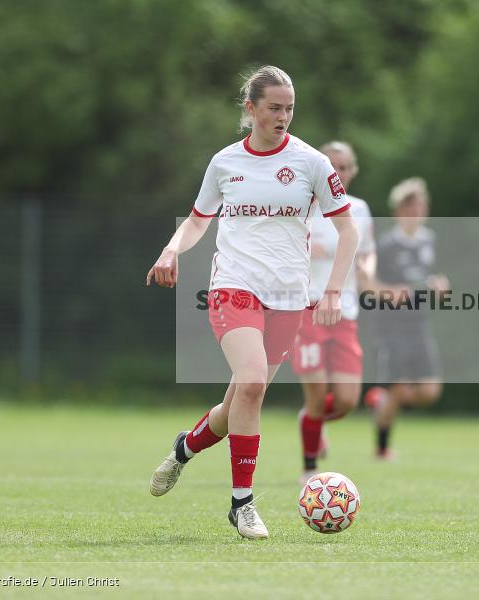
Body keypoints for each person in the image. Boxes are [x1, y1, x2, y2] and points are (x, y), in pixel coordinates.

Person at [145, 65, 359, 538]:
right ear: (251, 108)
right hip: (233, 286)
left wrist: (331, 290)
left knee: (239, 401)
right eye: (274, 108)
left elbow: (348, 228)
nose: (283, 117)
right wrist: (170, 249)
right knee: (253, 382)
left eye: (289, 109)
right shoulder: (225, 162)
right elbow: (199, 220)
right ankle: (242, 503)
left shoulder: (311, 163)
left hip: (289, 297)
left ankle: (184, 448)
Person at [292, 141, 376, 483]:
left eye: (344, 167)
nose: (337, 173)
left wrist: (368, 268)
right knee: (316, 392)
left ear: (352, 172)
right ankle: (310, 467)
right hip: (307, 309)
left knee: (345, 400)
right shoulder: (303, 206)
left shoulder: (359, 209)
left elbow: (367, 250)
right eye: (332, 166)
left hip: (345, 312)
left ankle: (309, 422)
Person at [361, 177, 447, 459]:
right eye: (411, 208)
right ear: (399, 211)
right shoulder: (385, 245)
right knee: (399, 386)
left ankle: (382, 401)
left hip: (419, 324)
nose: (417, 213)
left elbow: (434, 279)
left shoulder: (430, 241)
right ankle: (382, 448)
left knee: (430, 391)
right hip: (391, 326)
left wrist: (440, 287)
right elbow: (366, 283)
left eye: (422, 207)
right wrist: (389, 292)